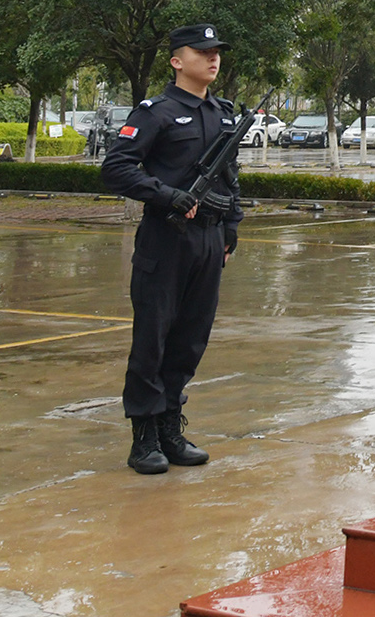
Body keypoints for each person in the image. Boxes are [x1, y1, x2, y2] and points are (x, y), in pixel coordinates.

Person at [99, 23, 244, 475]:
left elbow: (230, 176)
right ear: (177, 61)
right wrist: (166, 194)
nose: (212, 58)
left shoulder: (221, 113)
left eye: (216, 52)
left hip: (208, 237)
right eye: (201, 52)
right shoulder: (156, 113)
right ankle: (143, 435)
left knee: (190, 338)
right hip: (166, 238)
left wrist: (231, 226)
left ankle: (169, 426)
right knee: (153, 338)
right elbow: (116, 168)